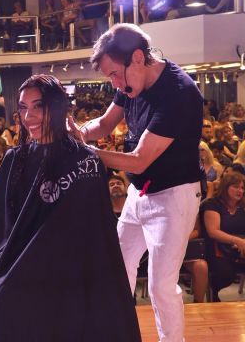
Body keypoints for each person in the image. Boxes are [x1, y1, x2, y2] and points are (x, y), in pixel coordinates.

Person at [0, 74, 140, 342]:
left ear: (57, 106)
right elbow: (2, 232)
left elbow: (96, 232)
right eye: (23, 108)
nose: (29, 117)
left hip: (76, 274)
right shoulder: (14, 160)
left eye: (38, 106)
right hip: (23, 268)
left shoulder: (86, 160)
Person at [69, 23, 203, 342]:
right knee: (117, 268)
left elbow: (141, 158)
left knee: (160, 286)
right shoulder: (130, 80)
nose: (115, 84)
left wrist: (85, 152)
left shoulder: (178, 93)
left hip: (174, 196)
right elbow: (105, 123)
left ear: (139, 58)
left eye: (115, 74)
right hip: (139, 192)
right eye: (110, 77)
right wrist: (77, 134)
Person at [202, 172, 245, 301]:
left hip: (241, 249)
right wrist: (237, 241)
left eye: (242, 188)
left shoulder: (243, 207)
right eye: (236, 187)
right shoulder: (212, 204)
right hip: (217, 250)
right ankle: (213, 293)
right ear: (225, 187)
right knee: (225, 275)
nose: (240, 191)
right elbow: (213, 232)